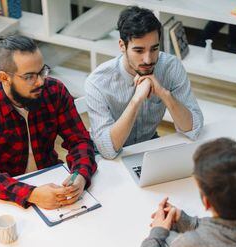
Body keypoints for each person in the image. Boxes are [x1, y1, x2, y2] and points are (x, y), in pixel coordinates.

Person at [0, 35, 97, 210]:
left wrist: (80, 175)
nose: (41, 81)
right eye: (30, 76)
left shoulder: (55, 91)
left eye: (42, 71)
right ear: (4, 78)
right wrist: (32, 194)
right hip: (6, 196)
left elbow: (79, 140)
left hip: (51, 181)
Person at [85, 6, 203, 159]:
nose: (148, 60)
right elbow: (108, 150)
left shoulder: (171, 67)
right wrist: (136, 100)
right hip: (105, 154)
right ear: (122, 46)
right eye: (139, 51)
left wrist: (164, 93)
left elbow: (194, 128)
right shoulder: (97, 82)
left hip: (147, 145)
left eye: (154, 49)